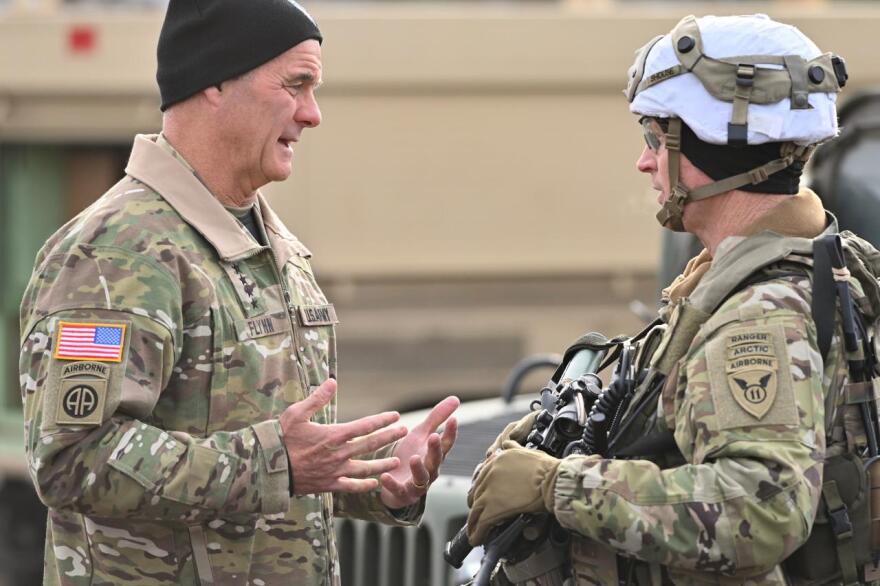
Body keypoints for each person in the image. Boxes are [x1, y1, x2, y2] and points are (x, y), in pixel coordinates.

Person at [18, 0, 459, 584]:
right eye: (296, 85)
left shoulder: (271, 245)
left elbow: (276, 455)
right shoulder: (117, 254)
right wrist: (276, 460)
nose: (313, 115)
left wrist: (377, 479)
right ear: (214, 83)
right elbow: (72, 460)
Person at [465, 14, 866, 585]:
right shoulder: (748, 276)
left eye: (656, 138)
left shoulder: (759, 315)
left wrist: (559, 485)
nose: (645, 160)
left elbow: (762, 509)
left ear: (715, 147)